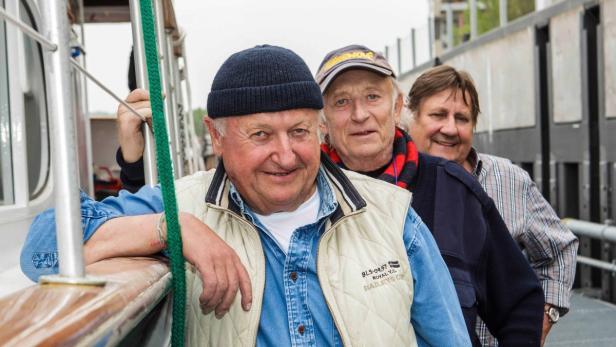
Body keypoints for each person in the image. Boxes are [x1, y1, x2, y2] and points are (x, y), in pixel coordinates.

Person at [89, 44, 545, 346]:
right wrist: (171, 228)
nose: (284, 155)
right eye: (261, 134)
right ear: (215, 136)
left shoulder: (396, 215)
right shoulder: (181, 205)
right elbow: (48, 244)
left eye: (299, 131)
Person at [314, 45, 544, 346]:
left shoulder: (453, 189)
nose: (360, 114)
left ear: (396, 108)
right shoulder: (304, 200)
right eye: (341, 102)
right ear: (322, 121)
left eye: (373, 97)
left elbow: (518, 303)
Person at [407, 64, 579, 346]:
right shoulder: (393, 185)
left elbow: (561, 248)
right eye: (438, 115)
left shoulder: (509, 179)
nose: (450, 128)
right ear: (410, 118)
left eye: (461, 118)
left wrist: (544, 316)